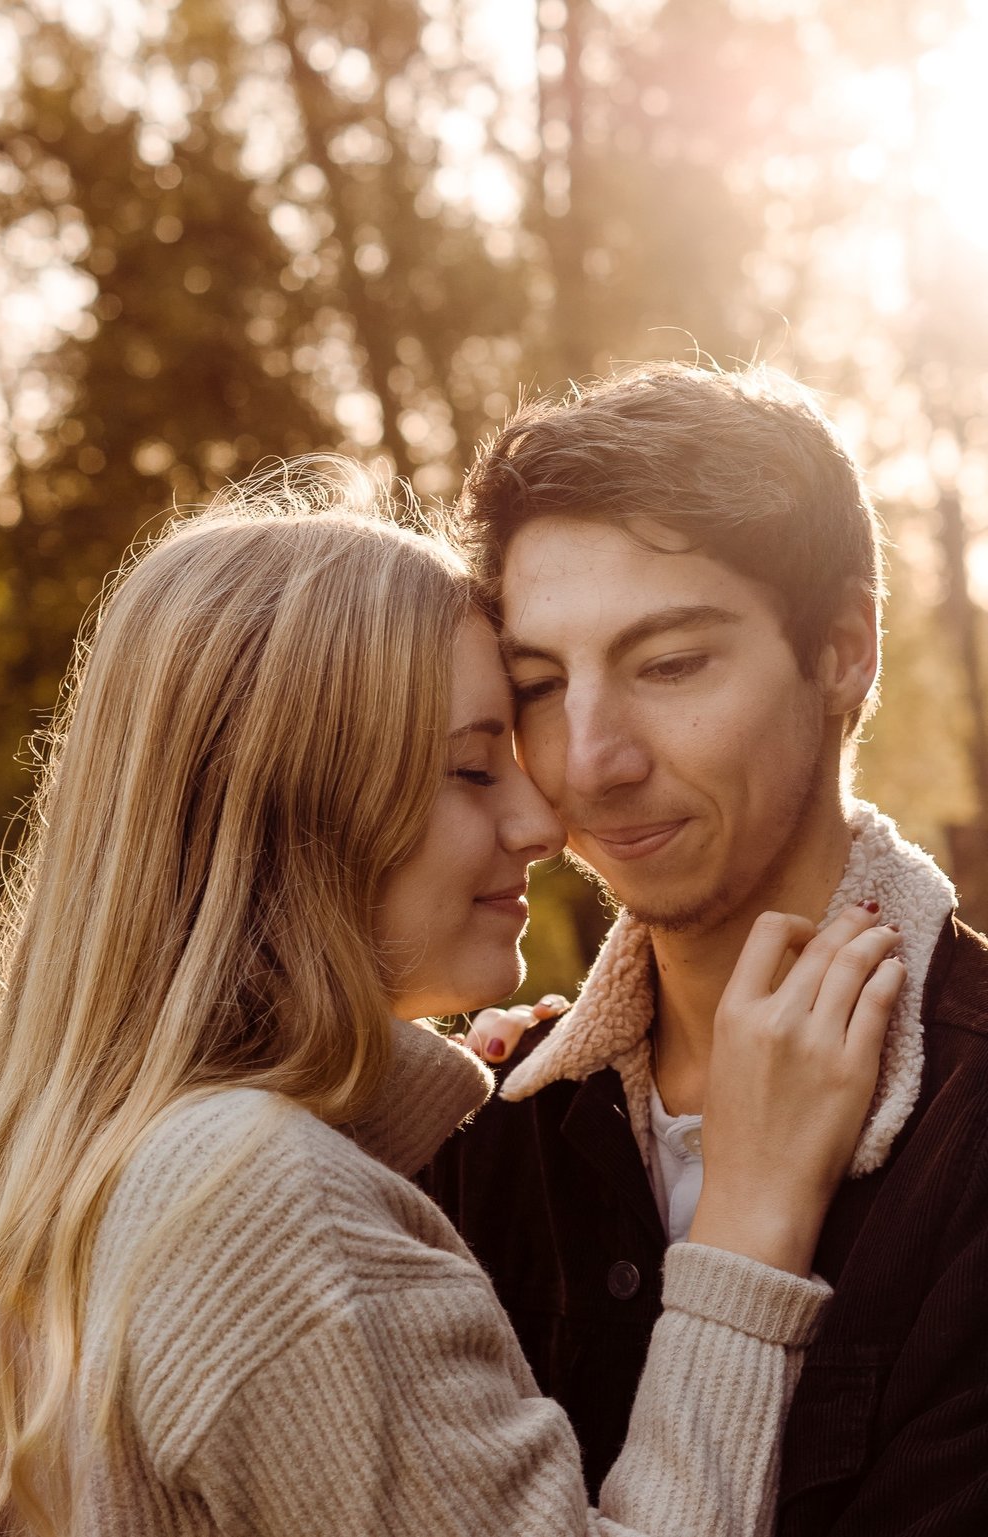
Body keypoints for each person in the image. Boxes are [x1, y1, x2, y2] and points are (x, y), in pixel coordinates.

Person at [0, 461, 903, 1537]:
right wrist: (748, 1217)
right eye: (470, 770)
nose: (541, 823)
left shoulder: (94, 1168)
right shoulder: (264, 1206)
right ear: (297, 810)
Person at [422, 362, 988, 1536]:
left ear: (841, 649)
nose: (589, 761)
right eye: (538, 683)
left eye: (670, 664)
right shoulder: (475, 1130)